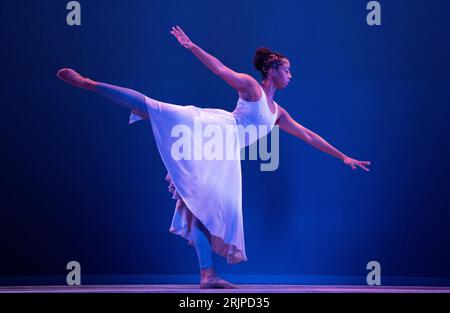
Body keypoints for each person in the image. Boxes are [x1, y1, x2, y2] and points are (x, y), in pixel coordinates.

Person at [57, 25, 371, 289]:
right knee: (157, 109)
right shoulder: (252, 89)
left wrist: (342, 156)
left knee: (200, 209)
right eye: (287, 69)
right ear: (273, 71)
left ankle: (208, 274)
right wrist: (193, 47)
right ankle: (90, 83)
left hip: (225, 155)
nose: (291, 75)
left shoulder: (278, 113)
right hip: (215, 131)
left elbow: (309, 135)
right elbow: (220, 69)